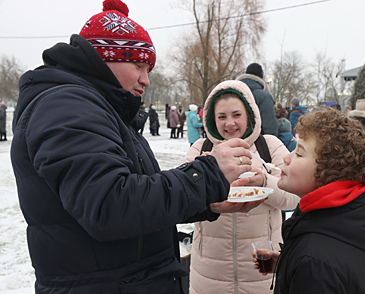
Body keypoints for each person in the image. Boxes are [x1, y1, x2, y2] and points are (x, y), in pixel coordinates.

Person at [10, 1, 264, 293]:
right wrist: (207, 175)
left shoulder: (102, 109)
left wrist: (206, 199)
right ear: (104, 58)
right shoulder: (67, 106)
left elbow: (135, 197)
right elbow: (108, 205)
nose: (146, 79)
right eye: (139, 65)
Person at [252, 108, 365, 293]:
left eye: (299, 153)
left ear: (327, 174)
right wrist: (287, 264)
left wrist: (305, 266)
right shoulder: (352, 225)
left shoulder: (315, 262)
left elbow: (323, 267)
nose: (286, 157)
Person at [183, 80, 299, 294]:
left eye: (237, 115)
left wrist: (264, 182)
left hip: (262, 268)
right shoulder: (201, 149)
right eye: (222, 117)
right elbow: (183, 199)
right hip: (209, 271)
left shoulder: (270, 146)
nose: (230, 124)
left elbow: (294, 197)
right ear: (211, 119)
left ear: (250, 116)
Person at [236, 63, 278, 136]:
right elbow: (270, 126)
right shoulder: (264, 96)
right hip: (256, 143)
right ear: (260, 77)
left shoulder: (233, 93)